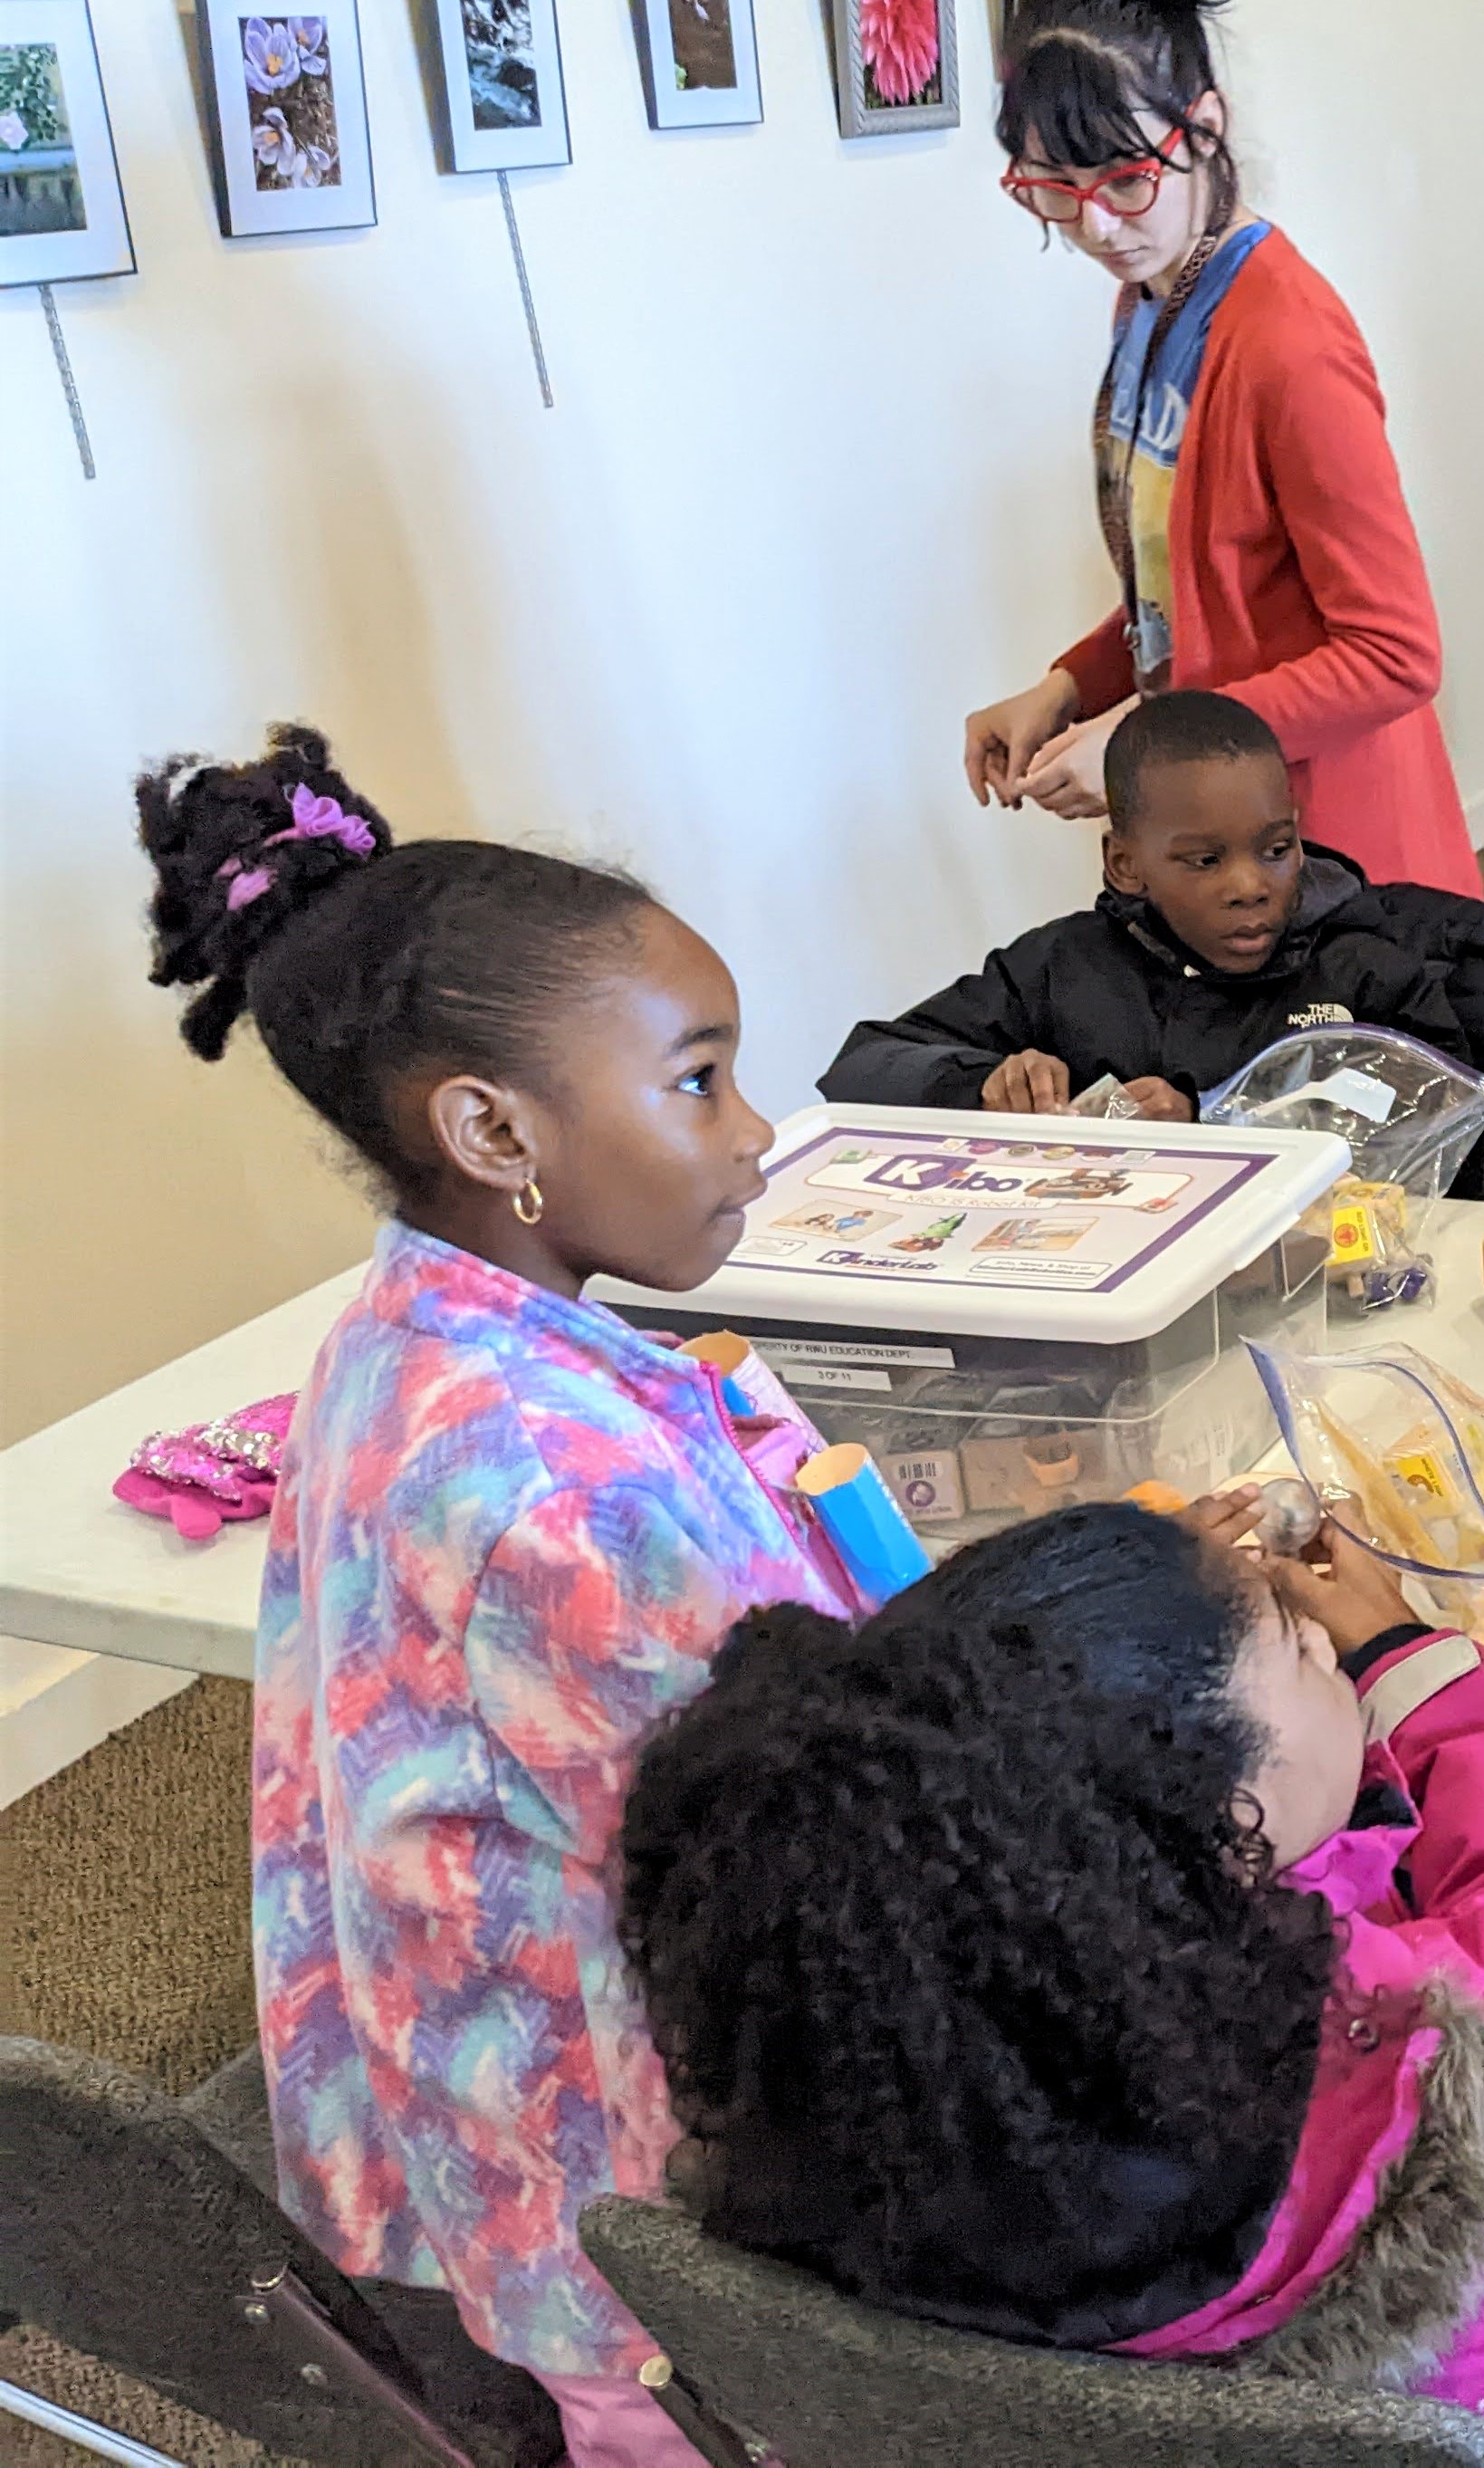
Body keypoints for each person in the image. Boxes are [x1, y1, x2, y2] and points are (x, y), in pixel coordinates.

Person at [617, 1501, 1484, 2463]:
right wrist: (1413, 1664)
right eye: (1304, 1657)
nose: (1328, 1663)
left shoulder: (876, 2050)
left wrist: (1173, 1622)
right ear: (1220, 1815)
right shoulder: (1405, 2080)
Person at [137, 725, 861, 2468]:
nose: (753, 1132)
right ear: (489, 1128)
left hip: (478, 2120)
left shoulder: (409, 1334)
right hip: (630, 2208)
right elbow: (797, 1861)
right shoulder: (556, 1496)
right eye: (697, 1079)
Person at [961, 0, 1480, 897]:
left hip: (1326, 850)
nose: (1095, 226)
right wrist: (1069, 687)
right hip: (1221, 828)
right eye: (1053, 186)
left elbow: (1395, 656)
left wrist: (1138, 740)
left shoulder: (1289, 346)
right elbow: (1191, 589)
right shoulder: (1150, 303)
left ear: (1202, 127)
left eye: (1125, 180)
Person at [823, 691, 1484, 1197]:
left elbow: (1443, 1139)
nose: (1249, 885)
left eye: (1275, 849)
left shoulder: (1377, 960)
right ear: (1125, 864)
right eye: (1204, 861)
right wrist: (982, 1085)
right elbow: (862, 1063)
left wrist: (1213, 1123)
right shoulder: (1064, 966)